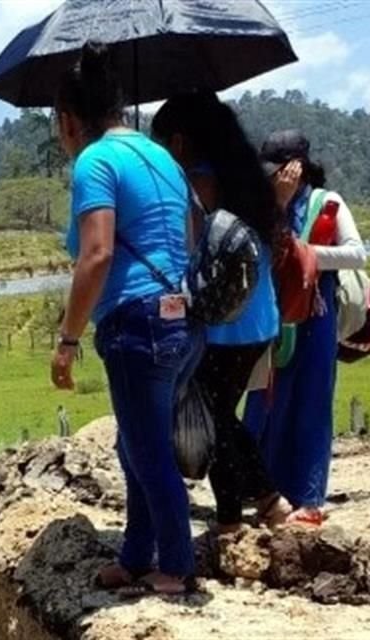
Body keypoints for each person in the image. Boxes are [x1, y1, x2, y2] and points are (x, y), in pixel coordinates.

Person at [49, 42, 201, 596]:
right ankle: (137, 555)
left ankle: (178, 566)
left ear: (68, 121)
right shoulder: (162, 158)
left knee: (148, 450)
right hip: (180, 319)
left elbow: (96, 255)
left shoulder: (94, 162)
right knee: (136, 444)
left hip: (135, 323)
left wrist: (67, 340)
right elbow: (188, 238)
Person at [150, 93, 292, 534]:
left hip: (222, 320)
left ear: (178, 140)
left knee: (213, 420)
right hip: (257, 316)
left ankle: (238, 516)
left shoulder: (199, 183)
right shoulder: (246, 179)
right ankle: (265, 503)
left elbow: (193, 247)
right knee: (222, 414)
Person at [244, 130, 368, 526]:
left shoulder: (326, 204)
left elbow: (356, 254)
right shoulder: (266, 205)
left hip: (316, 317)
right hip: (274, 318)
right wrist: (277, 206)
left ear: (296, 167)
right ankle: (271, 494)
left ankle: (310, 499)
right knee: (268, 403)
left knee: (312, 404)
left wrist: (308, 254)